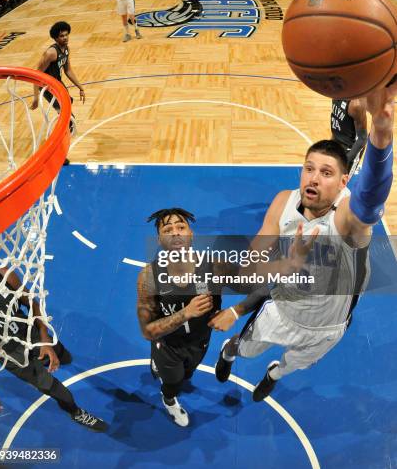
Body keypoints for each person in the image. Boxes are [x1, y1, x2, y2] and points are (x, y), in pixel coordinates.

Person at [212, 82, 397, 401]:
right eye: (308, 168)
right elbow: (247, 273)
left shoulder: (347, 218)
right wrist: (286, 266)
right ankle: (229, 352)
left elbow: (371, 197)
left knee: (292, 365)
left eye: (326, 173)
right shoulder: (283, 203)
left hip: (329, 325)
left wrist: (382, 132)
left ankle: (274, 374)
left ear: (343, 183)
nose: (313, 177)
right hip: (282, 311)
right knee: (242, 349)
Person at [137, 208, 314, 426]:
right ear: (159, 239)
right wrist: (186, 313)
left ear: (191, 234)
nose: (175, 232)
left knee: (187, 375)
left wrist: (234, 311)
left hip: (200, 343)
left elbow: (260, 289)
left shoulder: (215, 266)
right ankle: (169, 400)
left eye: (181, 227)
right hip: (168, 346)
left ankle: (176, 380)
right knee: (172, 382)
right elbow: (147, 330)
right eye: (167, 229)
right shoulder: (148, 276)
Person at [0, 266, 107, 431]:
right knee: (57, 390)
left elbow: (33, 304)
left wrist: (45, 340)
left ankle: (54, 352)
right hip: (9, 353)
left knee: (63, 355)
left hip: (29, 330)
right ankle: (76, 412)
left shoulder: (2, 274)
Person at [31, 21, 85, 164]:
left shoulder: (66, 49)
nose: (65, 38)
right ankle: (58, 152)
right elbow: (36, 74)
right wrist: (36, 97)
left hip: (58, 85)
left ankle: (60, 146)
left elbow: (68, 70)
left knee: (68, 120)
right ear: (55, 38)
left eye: (66, 35)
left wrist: (81, 87)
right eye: (62, 36)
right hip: (48, 88)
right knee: (66, 119)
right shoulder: (50, 53)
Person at [331, 98, 368, 176]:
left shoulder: (356, 105)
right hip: (336, 144)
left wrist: (346, 160)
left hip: (350, 150)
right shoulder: (335, 93)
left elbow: (363, 138)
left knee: (339, 184)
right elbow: (337, 125)